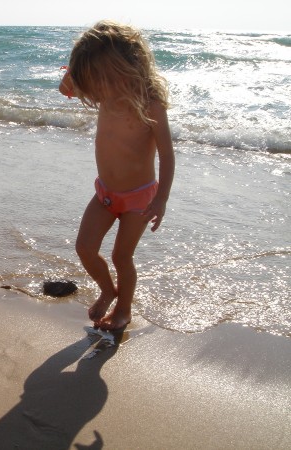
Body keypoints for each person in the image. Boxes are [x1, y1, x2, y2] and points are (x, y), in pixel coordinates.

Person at [59, 20, 175, 331]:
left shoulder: (149, 103)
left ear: (122, 70)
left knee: (122, 257)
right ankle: (108, 290)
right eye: (92, 81)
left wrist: (161, 199)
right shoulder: (105, 94)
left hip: (139, 199)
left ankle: (124, 309)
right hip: (105, 193)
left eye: (99, 79)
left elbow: (166, 154)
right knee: (84, 247)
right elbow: (65, 88)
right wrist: (76, 70)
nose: (94, 89)